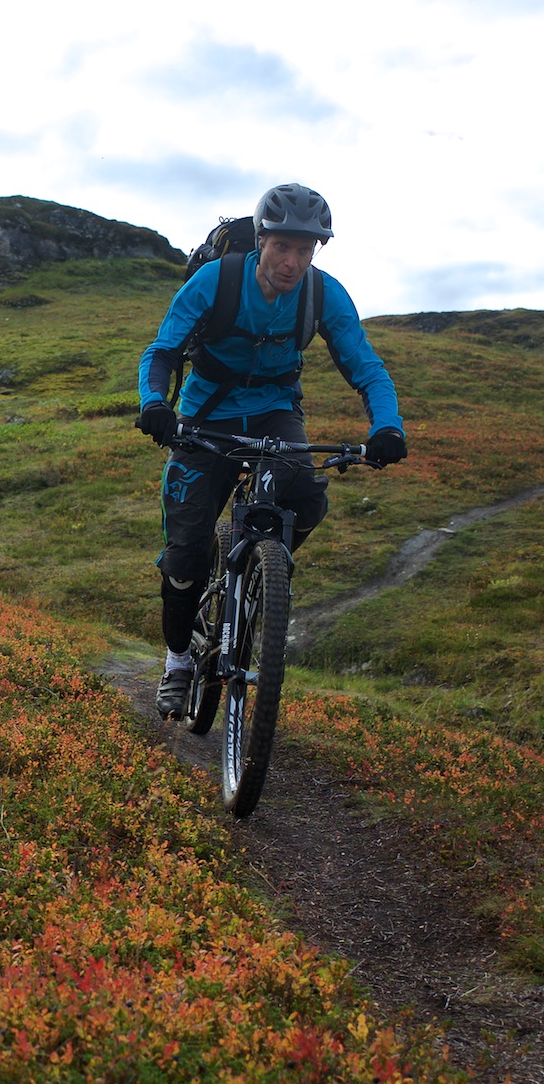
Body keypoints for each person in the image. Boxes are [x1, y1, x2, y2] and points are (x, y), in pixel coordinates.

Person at [136, 183, 406, 717]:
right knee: (185, 558)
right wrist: (154, 404)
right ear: (261, 241)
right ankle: (179, 661)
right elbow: (162, 351)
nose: (293, 262)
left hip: (276, 411)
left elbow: (365, 366)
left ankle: (263, 569)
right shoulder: (216, 281)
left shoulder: (322, 294)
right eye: (283, 247)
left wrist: (388, 427)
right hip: (205, 416)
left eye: (306, 251)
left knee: (306, 496)